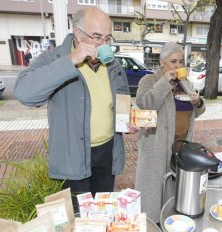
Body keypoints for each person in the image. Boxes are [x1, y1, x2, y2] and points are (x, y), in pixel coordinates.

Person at [14, 7, 137, 209]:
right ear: (78, 34)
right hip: (73, 156)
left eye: (108, 38)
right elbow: (24, 94)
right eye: (96, 37)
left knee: (101, 211)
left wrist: (127, 120)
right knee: (79, 218)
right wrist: (71, 60)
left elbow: (120, 100)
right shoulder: (56, 59)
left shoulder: (113, 64)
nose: (103, 45)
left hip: (107, 152)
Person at [134, 42, 205, 223]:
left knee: (173, 192)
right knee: (153, 193)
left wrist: (198, 102)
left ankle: (169, 223)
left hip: (180, 148)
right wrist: (165, 81)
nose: (178, 66)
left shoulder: (185, 83)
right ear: (162, 62)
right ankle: (152, 227)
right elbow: (145, 105)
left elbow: (195, 113)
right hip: (155, 148)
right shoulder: (148, 81)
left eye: (181, 61)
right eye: (173, 61)